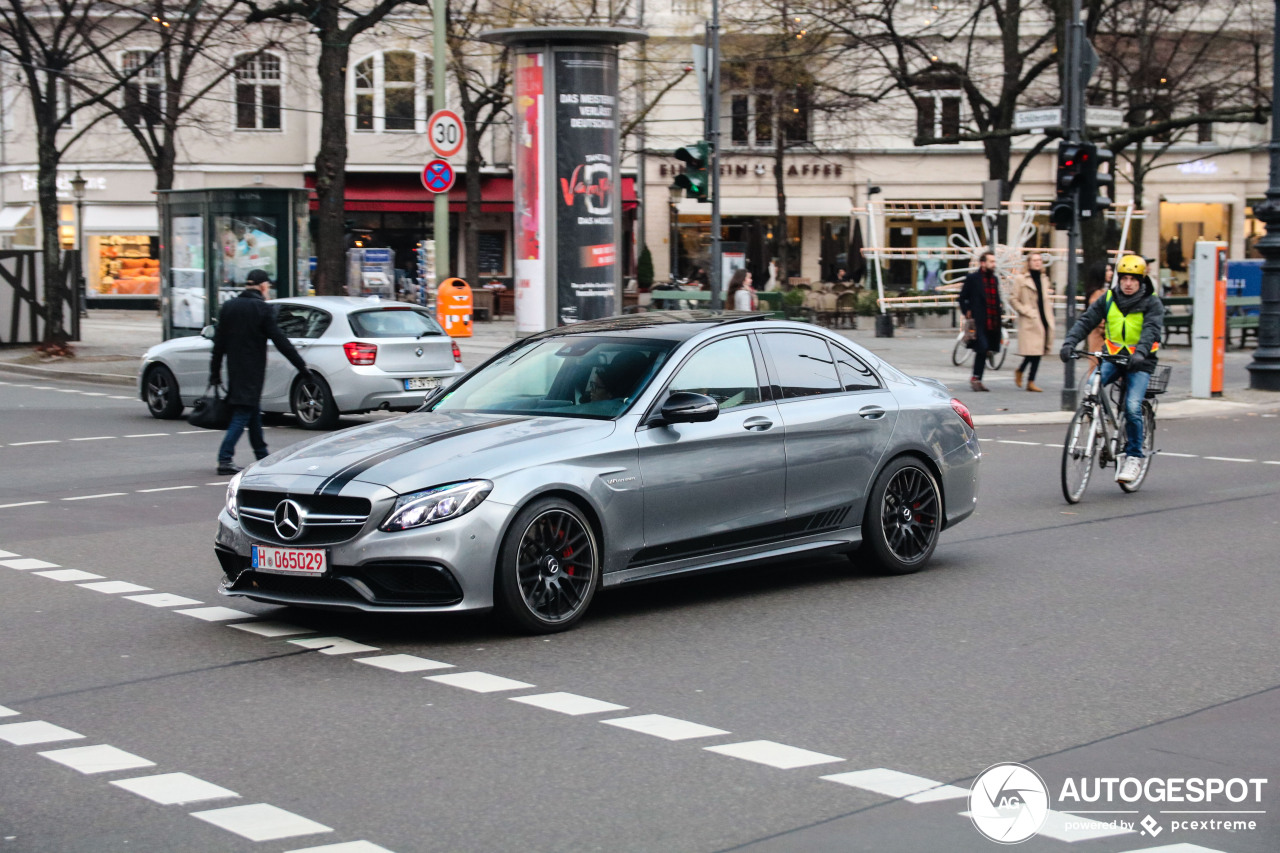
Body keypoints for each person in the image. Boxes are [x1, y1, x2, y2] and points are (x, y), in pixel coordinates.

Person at [1060, 254, 1165, 484]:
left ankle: (1134, 456)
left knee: (1132, 405)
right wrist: (1069, 342)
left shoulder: (1152, 302)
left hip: (1141, 361)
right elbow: (1086, 321)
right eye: (1124, 278)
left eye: (1133, 279)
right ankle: (1098, 422)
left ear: (1141, 280)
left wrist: (1141, 352)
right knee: (1091, 387)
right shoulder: (1109, 298)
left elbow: (1151, 330)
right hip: (1113, 357)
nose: (1128, 283)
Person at [209, 269, 310, 475]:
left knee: (252, 411)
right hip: (253, 370)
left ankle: (262, 455)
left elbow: (219, 343)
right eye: (268, 287)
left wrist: (215, 371)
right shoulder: (262, 309)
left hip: (234, 368)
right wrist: (301, 366)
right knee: (243, 412)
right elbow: (280, 341)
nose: (268, 290)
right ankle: (225, 458)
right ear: (263, 286)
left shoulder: (229, 307)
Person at [958, 251, 1003, 392]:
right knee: (982, 348)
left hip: (993, 321)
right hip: (979, 321)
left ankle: (978, 378)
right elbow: (962, 298)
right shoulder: (973, 278)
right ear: (983, 263)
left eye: (994, 262)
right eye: (991, 261)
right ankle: (976, 378)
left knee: (986, 350)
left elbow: (996, 298)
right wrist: (967, 312)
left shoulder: (994, 279)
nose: (994, 264)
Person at [1009, 252, 1054, 392]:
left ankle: (1027, 377)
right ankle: (1027, 378)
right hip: (1030, 320)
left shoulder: (1044, 278)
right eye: (1034, 260)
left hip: (1043, 318)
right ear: (1028, 262)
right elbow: (1013, 299)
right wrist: (1026, 311)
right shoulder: (1021, 279)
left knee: (1038, 352)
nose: (1037, 262)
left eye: (1039, 260)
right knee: (1033, 352)